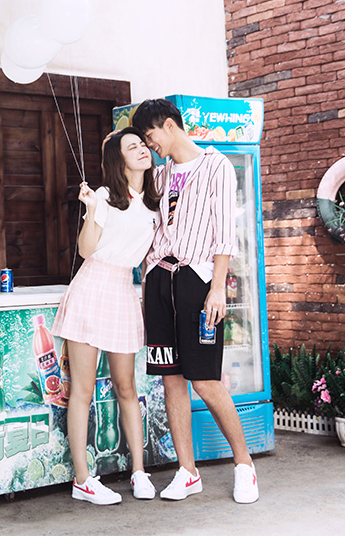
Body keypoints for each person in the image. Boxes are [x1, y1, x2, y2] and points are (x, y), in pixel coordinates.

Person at [131, 98, 259, 504]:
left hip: (197, 280)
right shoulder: (160, 174)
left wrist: (217, 288)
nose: (151, 146)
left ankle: (244, 464)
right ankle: (187, 471)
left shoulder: (216, 166)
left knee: (204, 379)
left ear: (169, 126)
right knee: (171, 379)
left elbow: (224, 233)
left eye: (150, 136)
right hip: (158, 280)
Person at [51, 127, 161, 505]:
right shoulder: (103, 196)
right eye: (133, 146)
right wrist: (91, 211)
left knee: (126, 387)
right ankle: (83, 480)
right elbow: (86, 250)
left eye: (143, 144)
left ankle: (139, 472)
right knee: (82, 390)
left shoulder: (154, 202)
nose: (143, 150)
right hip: (92, 286)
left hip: (123, 292)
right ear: (119, 159)